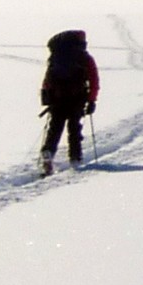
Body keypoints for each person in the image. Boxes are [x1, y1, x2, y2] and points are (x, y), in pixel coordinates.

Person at [39, 29, 99, 175]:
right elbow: (94, 80)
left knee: (55, 127)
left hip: (57, 98)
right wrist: (91, 100)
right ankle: (75, 159)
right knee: (74, 129)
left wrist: (47, 96)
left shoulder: (56, 56)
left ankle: (48, 153)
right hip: (76, 98)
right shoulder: (84, 58)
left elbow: (47, 79)